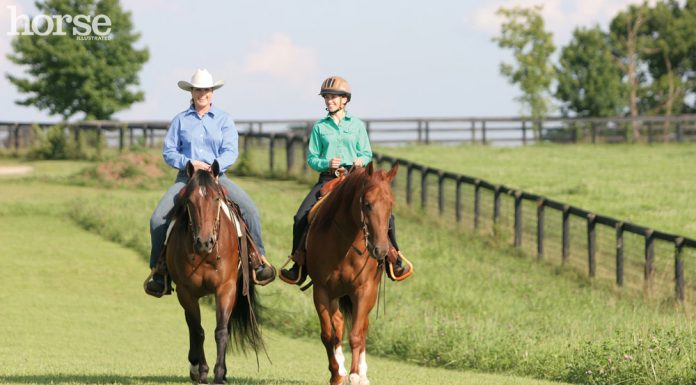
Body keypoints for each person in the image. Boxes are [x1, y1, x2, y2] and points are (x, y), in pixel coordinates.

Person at [144, 69, 275, 297]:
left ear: (212, 93)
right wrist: (189, 163)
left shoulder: (224, 120)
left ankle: (258, 261)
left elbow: (230, 151)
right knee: (157, 219)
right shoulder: (180, 120)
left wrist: (214, 167)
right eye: (198, 89)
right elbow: (169, 152)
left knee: (251, 211)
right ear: (191, 92)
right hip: (187, 179)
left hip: (217, 177)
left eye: (206, 89)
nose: (202, 93)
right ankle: (159, 271)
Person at [279, 75, 413, 285]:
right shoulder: (319, 127)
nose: (328, 101)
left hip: (354, 179)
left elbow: (367, 152)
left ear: (345, 100)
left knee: (386, 216)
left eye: (333, 97)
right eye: (326, 97)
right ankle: (298, 263)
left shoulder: (357, 125)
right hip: (328, 179)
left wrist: (362, 159)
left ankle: (393, 258)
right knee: (301, 217)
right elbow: (312, 158)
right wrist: (326, 163)